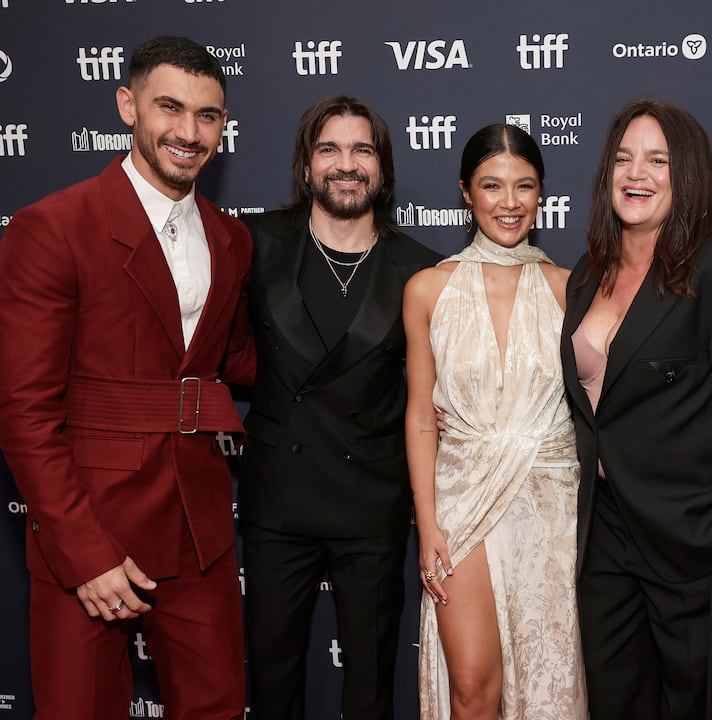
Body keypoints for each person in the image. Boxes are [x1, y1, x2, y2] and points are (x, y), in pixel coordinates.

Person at [0, 36, 254, 720]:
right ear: (127, 105)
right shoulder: (53, 227)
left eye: (207, 115)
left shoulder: (231, 238)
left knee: (220, 708)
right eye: (170, 108)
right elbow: (24, 412)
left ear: (223, 126)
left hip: (198, 528)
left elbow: (241, 361)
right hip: (92, 523)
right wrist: (85, 552)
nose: (188, 132)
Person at [560, 98, 712, 720]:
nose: (637, 174)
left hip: (695, 542)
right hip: (606, 538)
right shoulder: (589, 273)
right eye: (624, 159)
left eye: (658, 160)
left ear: (687, 174)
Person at [240, 95, 440, 720]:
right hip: (278, 498)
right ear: (306, 165)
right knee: (272, 680)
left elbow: (436, 399)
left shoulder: (420, 269)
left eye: (362, 150)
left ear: (382, 167)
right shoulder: (256, 244)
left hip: (371, 502)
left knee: (370, 686)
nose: (346, 164)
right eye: (329, 149)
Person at [404, 123, 586, 720]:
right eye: (491, 185)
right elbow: (421, 416)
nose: (509, 202)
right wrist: (428, 524)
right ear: (465, 192)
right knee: (473, 686)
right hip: (463, 504)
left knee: (546, 689)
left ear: (541, 193)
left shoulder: (571, 289)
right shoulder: (428, 289)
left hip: (551, 507)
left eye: (524, 186)